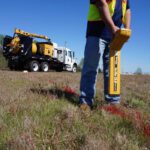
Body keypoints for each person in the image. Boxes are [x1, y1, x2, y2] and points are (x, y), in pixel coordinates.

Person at [79, 0, 131, 109]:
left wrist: (127, 29)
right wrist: (113, 28)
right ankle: (86, 102)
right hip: (97, 32)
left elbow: (127, 9)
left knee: (113, 70)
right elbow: (101, 4)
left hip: (115, 35)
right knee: (91, 68)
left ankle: (113, 103)